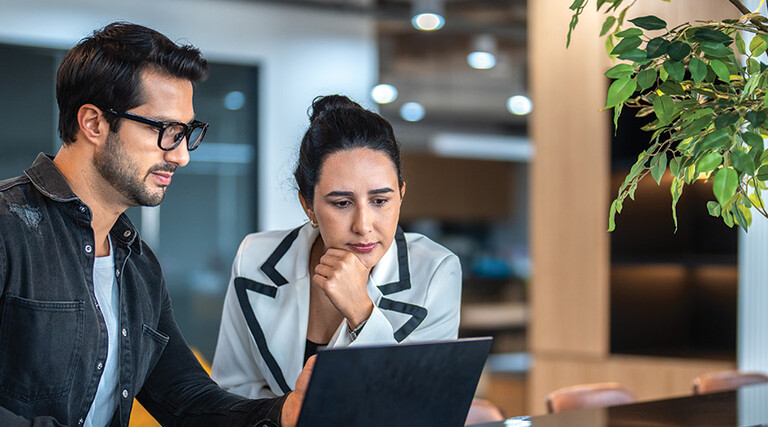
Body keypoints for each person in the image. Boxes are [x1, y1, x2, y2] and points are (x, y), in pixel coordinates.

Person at [0, 22, 311, 427]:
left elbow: (184, 397)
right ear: (93, 123)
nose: (182, 156)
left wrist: (281, 412)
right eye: (166, 130)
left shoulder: (137, 264)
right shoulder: (8, 228)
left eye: (187, 132)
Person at [211, 95, 462, 399]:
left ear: (401, 194)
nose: (363, 225)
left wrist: (362, 312)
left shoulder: (436, 270)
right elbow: (232, 392)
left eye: (380, 201)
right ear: (308, 206)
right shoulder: (255, 256)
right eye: (342, 203)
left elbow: (420, 405)